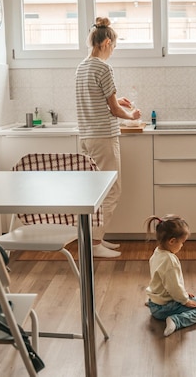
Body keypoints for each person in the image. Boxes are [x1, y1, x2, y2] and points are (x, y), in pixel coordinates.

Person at [75, 17, 142, 258]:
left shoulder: (83, 66)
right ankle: (94, 245)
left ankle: (95, 240)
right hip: (103, 137)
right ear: (105, 42)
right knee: (111, 190)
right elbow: (114, 110)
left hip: (87, 137)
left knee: (94, 191)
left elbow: (101, 101)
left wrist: (118, 100)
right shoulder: (104, 68)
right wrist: (131, 114)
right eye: (113, 45)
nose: (113, 50)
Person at [145, 214, 196, 337]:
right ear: (172, 241)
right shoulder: (170, 260)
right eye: (182, 242)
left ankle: (154, 301)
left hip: (155, 303)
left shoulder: (157, 253)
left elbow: (163, 282)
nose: (182, 246)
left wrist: (183, 293)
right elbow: (173, 286)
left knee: (193, 300)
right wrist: (184, 300)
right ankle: (175, 321)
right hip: (164, 308)